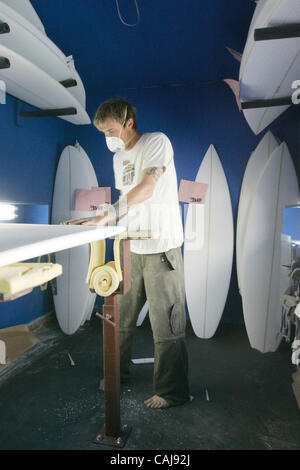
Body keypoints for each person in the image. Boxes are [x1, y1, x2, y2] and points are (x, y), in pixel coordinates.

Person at [63, 98, 190, 409]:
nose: (108, 137)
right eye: (103, 132)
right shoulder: (119, 158)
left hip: (162, 248)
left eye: (111, 130)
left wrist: (105, 217)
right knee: (120, 320)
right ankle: (119, 374)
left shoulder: (156, 143)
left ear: (129, 122)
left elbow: (147, 188)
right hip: (131, 247)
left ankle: (171, 391)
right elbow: (127, 200)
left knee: (167, 325)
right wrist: (99, 218)